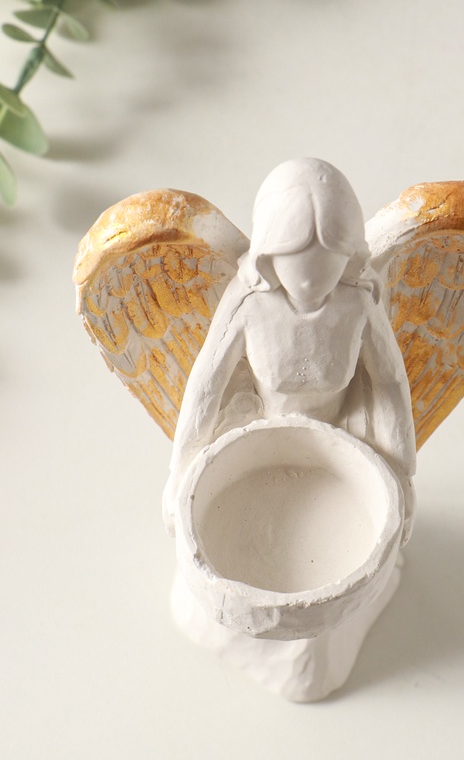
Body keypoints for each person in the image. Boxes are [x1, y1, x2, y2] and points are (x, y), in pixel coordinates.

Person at [162, 158, 416, 538]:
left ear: (349, 255)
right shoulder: (248, 303)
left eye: (326, 263)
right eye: (297, 262)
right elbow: (207, 383)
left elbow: (389, 382)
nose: (312, 279)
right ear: (268, 254)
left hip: (345, 439)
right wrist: (180, 471)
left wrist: (401, 471)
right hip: (257, 436)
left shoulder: (359, 303)